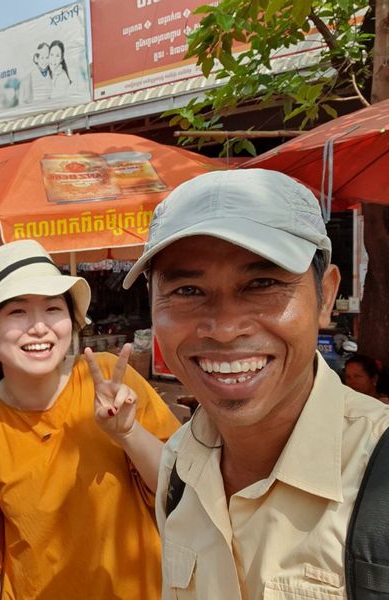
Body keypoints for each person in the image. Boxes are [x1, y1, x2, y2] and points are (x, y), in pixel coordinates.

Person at [121, 169, 389, 599]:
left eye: (263, 284)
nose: (224, 328)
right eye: (189, 290)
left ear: (326, 295)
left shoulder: (378, 476)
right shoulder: (178, 467)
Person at [0, 240, 179, 600]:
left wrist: (129, 433)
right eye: (17, 312)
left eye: (52, 308)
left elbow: (178, 490)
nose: (39, 327)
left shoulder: (110, 381)